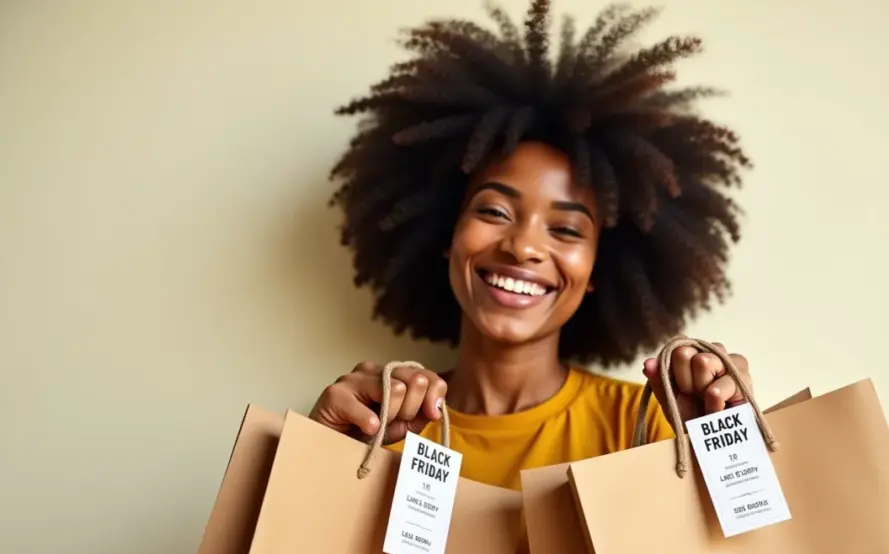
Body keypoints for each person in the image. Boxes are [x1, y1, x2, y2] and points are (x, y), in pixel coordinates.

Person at [311, 0, 756, 491]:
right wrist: (320, 453)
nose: (523, 247)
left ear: (598, 268)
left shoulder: (652, 425)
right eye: (494, 212)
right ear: (445, 233)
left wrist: (726, 444)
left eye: (566, 229)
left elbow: (756, 542)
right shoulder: (376, 429)